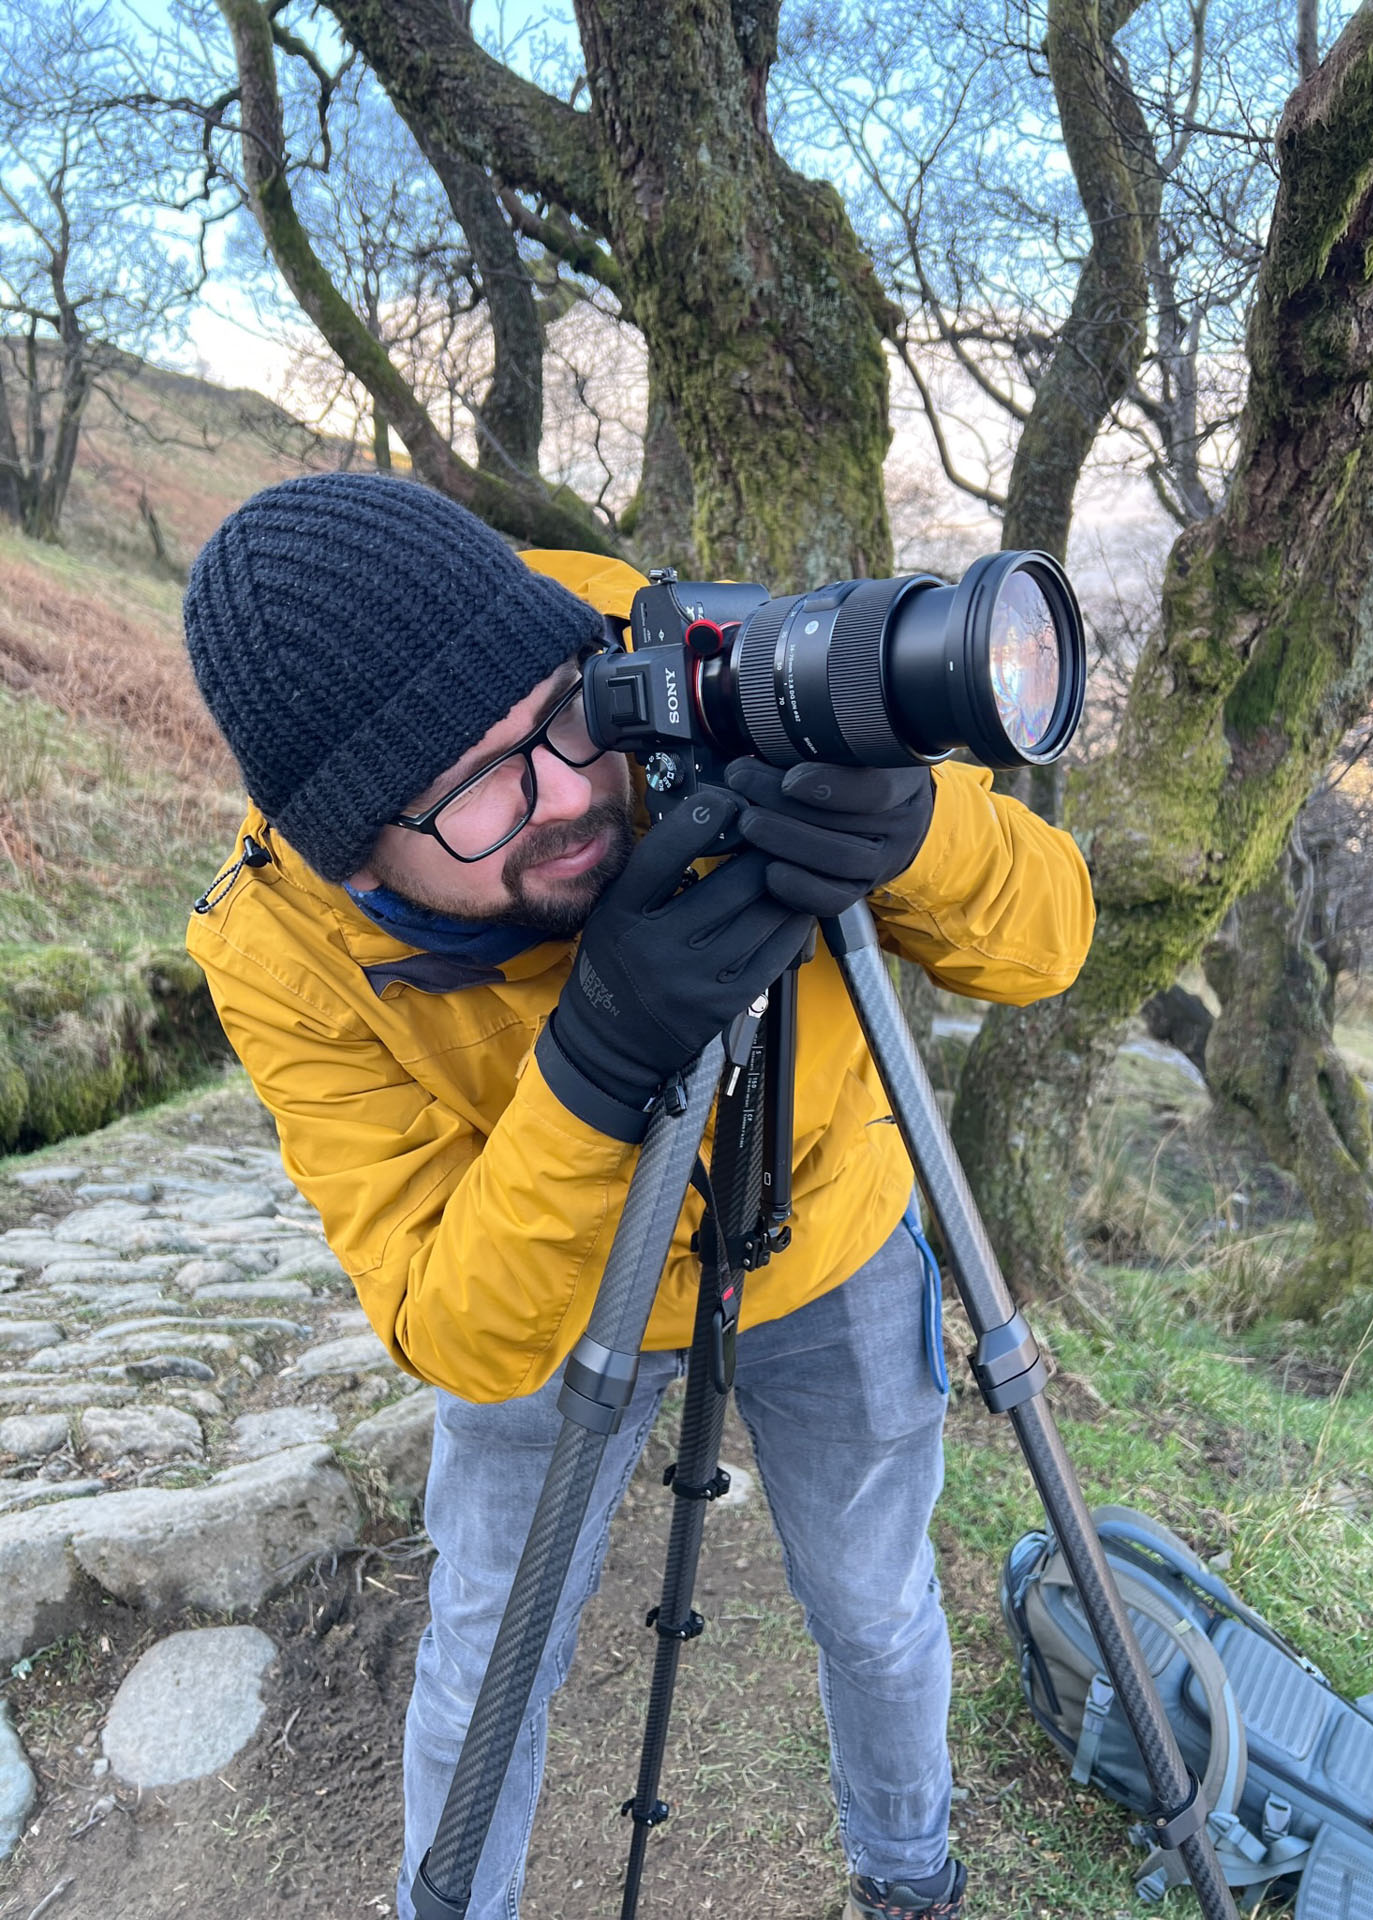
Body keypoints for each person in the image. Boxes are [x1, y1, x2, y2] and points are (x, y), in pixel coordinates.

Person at [183, 470, 1095, 1920]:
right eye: (471, 790)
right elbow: (453, 1325)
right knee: (489, 1647)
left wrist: (910, 835)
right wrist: (595, 1063)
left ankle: (912, 1882)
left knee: (874, 1605)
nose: (560, 795)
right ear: (351, 858)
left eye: (555, 720)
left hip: (824, 1236)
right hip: (550, 1307)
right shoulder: (278, 947)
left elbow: (1050, 938)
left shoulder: (650, 652)